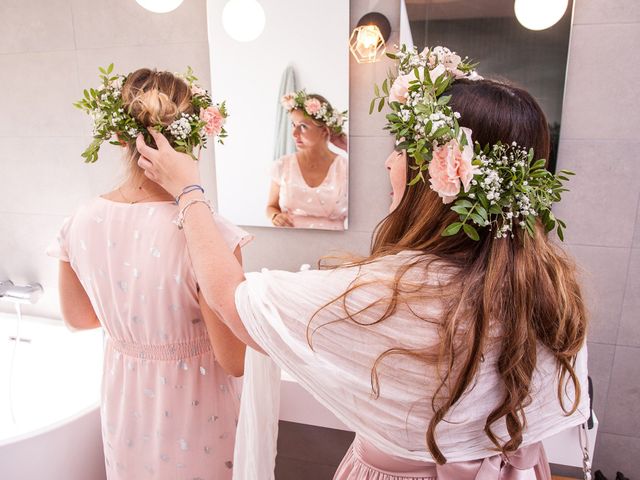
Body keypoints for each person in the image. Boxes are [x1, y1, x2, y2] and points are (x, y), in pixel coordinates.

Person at [136, 46, 590, 479]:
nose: (390, 162)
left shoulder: (390, 296)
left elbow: (234, 302)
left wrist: (188, 191)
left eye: (402, 150)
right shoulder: (551, 285)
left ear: (437, 174)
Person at [48, 67, 251, 479]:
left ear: (119, 135)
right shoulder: (207, 234)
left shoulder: (81, 220)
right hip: (200, 421)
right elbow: (234, 359)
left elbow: (78, 319)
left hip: (126, 411)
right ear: (196, 136)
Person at [267, 91, 349, 230]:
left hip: (335, 248)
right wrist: (275, 216)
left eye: (303, 126)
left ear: (324, 130)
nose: (294, 133)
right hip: (289, 245)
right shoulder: (283, 166)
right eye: (293, 125)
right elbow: (271, 207)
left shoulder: (346, 168)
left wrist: (347, 145)